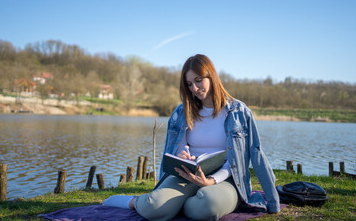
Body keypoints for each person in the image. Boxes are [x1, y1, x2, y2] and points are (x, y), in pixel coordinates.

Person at [102, 54, 280, 220]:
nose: (194, 88)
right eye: (189, 84)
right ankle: (134, 201)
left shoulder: (239, 112)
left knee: (209, 206)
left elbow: (256, 155)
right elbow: (176, 149)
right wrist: (182, 155)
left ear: (211, 77)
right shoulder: (181, 112)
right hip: (188, 175)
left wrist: (272, 202)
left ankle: (178, 205)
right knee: (153, 208)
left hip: (226, 179)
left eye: (198, 80)